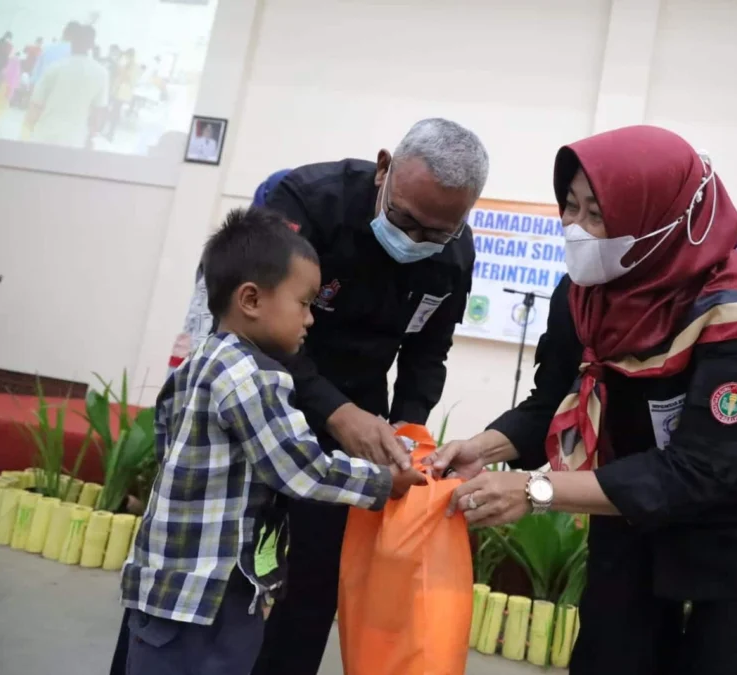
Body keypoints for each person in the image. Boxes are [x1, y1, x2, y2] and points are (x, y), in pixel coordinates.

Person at [426, 125, 737, 675]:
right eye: (570, 206)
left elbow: (700, 469)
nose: (575, 228)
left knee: (727, 657)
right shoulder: (583, 291)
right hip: (627, 487)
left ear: (656, 218)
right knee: (612, 646)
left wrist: (536, 490)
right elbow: (555, 400)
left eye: (597, 214)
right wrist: (484, 448)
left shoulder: (732, 314)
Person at [109, 117, 487, 675]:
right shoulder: (307, 203)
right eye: (408, 220)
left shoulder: (453, 254)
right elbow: (252, 331)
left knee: (307, 585)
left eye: (439, 232)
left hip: (356, 408)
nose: (419, 240)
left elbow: (427, 353)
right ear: (384, 168)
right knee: (195, 583)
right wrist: (336, 414)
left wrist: (409, 432)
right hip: (269, 384)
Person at [120, 206, 426, 675]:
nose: (310, 320)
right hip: (206, 592)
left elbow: (165, 433)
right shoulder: (252, 377)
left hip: (170, 578)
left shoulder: (204, 360)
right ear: (251, 300)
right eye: (304, 303)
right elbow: (303, 470)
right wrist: (385, 481)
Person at [25, 23, 108, 148]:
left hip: (45, 134)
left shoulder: (55, 68)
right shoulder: (101, 73)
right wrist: (91, 136)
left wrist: (30, 128)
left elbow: (36, 104)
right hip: (75, 140)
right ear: (92, 45)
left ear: (72, 41)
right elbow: (98, 112)